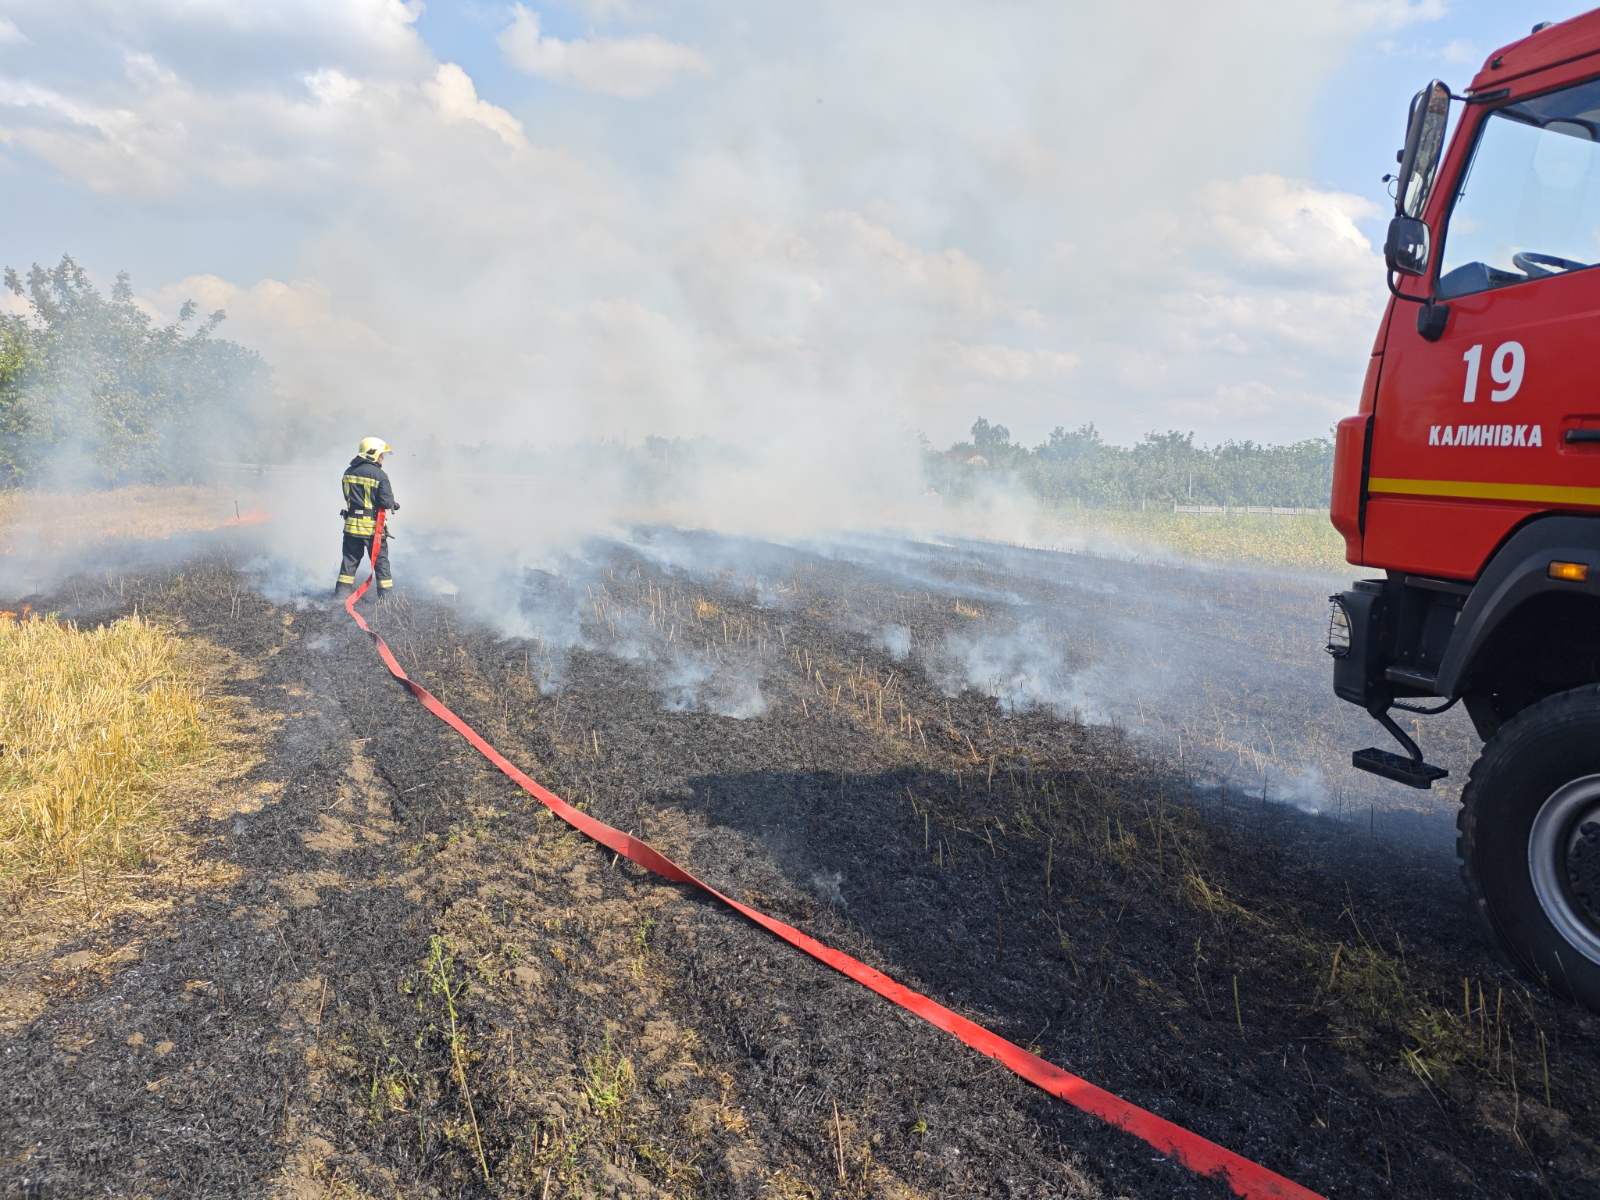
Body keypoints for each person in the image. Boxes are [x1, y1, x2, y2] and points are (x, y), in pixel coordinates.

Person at [333, 436, 399, 598]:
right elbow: (385, 501)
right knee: (381, 563)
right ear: (372, 453)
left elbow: (348, 496)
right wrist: (393, 504)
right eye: (381, 455)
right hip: (372, 530)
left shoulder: (348, 472)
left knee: (349, 563)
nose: (382, 458)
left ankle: (341, 597)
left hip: (351, 528)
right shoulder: (380, 475)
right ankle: (386, 600)